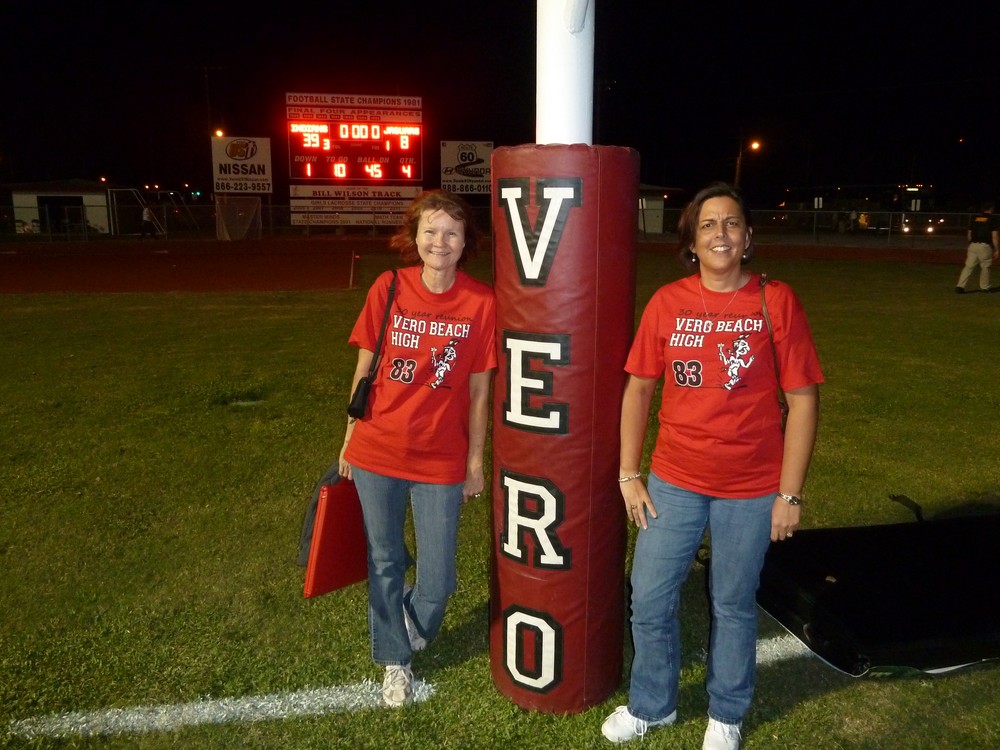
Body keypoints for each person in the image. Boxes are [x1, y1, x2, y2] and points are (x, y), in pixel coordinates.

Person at [601, 183, 824, 749]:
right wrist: (629, 473)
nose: (720, 233)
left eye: (731, 223)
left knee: (732, 602)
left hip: (751, 487)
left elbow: (802, 401)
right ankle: (652, 704)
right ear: (691, 241)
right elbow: (638, 389)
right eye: (707, 225)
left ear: (747, 238)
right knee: (649, 595)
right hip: (674, 480)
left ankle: (726, 713)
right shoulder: (667, 302)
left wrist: (789, 494)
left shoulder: (776, 300)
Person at [338, 190, 497, 707]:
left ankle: (408, 623)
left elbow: (480, 391)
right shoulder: (389, 287)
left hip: (440, 457)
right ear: (415, 236)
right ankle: (395, 659)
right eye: (430, 230)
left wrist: (475, 462)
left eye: (451, 232)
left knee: (439, 577)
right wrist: (348, 438)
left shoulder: (481, 302)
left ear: (466, 242)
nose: (440, 242)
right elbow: (364, 370)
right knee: (385, 560)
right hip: (377, 448)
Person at [955, 201, 999, 293]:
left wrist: (971, 243)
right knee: (985, 267)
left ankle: (960, 286)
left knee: (968, 267)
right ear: (991, 209)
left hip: (973, 245)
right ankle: (985, 287)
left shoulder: (974, 218)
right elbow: (994, 236)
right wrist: (997, 249)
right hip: (985, 246)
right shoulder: (992, 219)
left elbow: (969, 234)